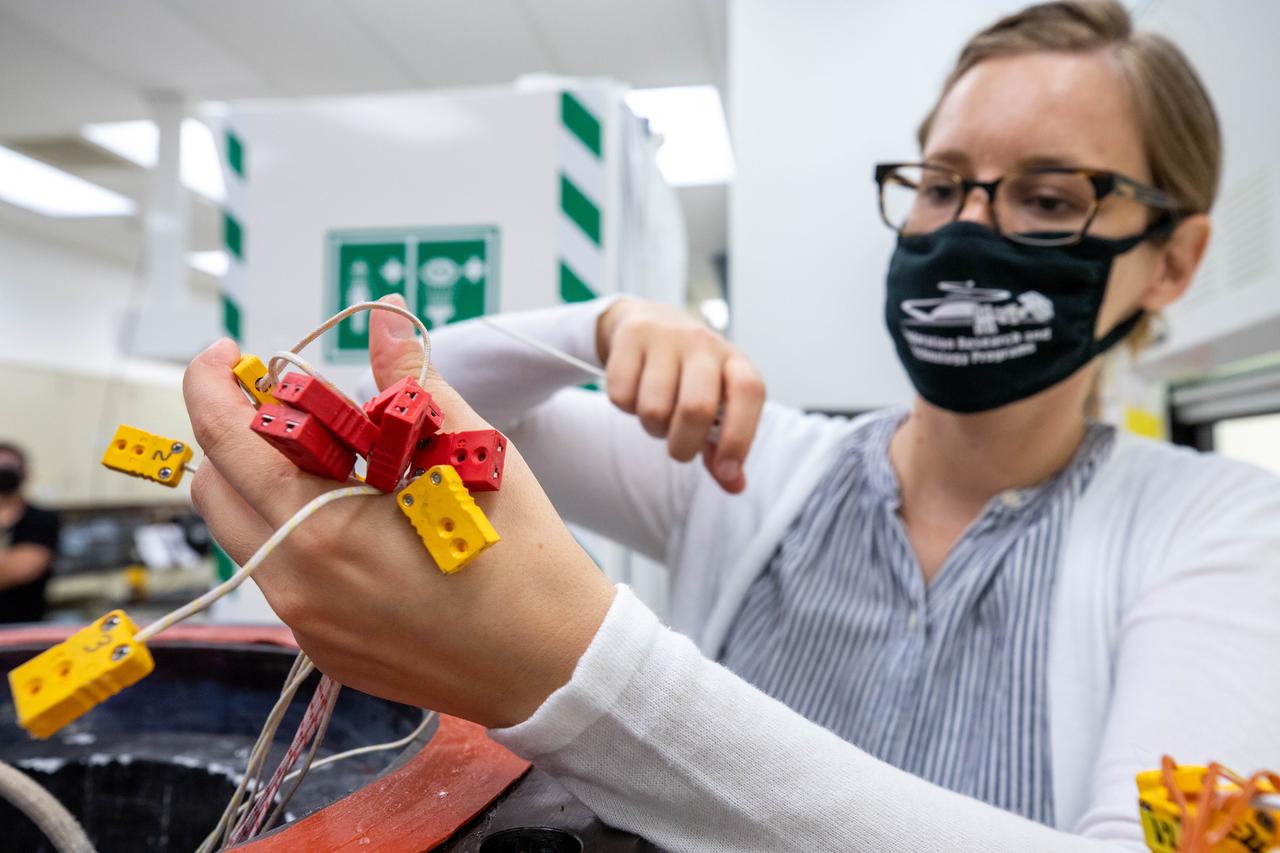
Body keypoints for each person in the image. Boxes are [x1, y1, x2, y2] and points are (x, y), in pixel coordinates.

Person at [183, 1, 1280, 849]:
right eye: (940, 185)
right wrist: (598, 324)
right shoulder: (753, 470)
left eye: (1048, 198)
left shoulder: (1220, 525)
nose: (965, 229)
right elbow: (416, 399)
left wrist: (587, 680)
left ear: (1172, 260)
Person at [0, 443, 60, 624]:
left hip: (24, 630)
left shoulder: (41, 519)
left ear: (25, 474)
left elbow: (22, 569)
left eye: (8, 469)